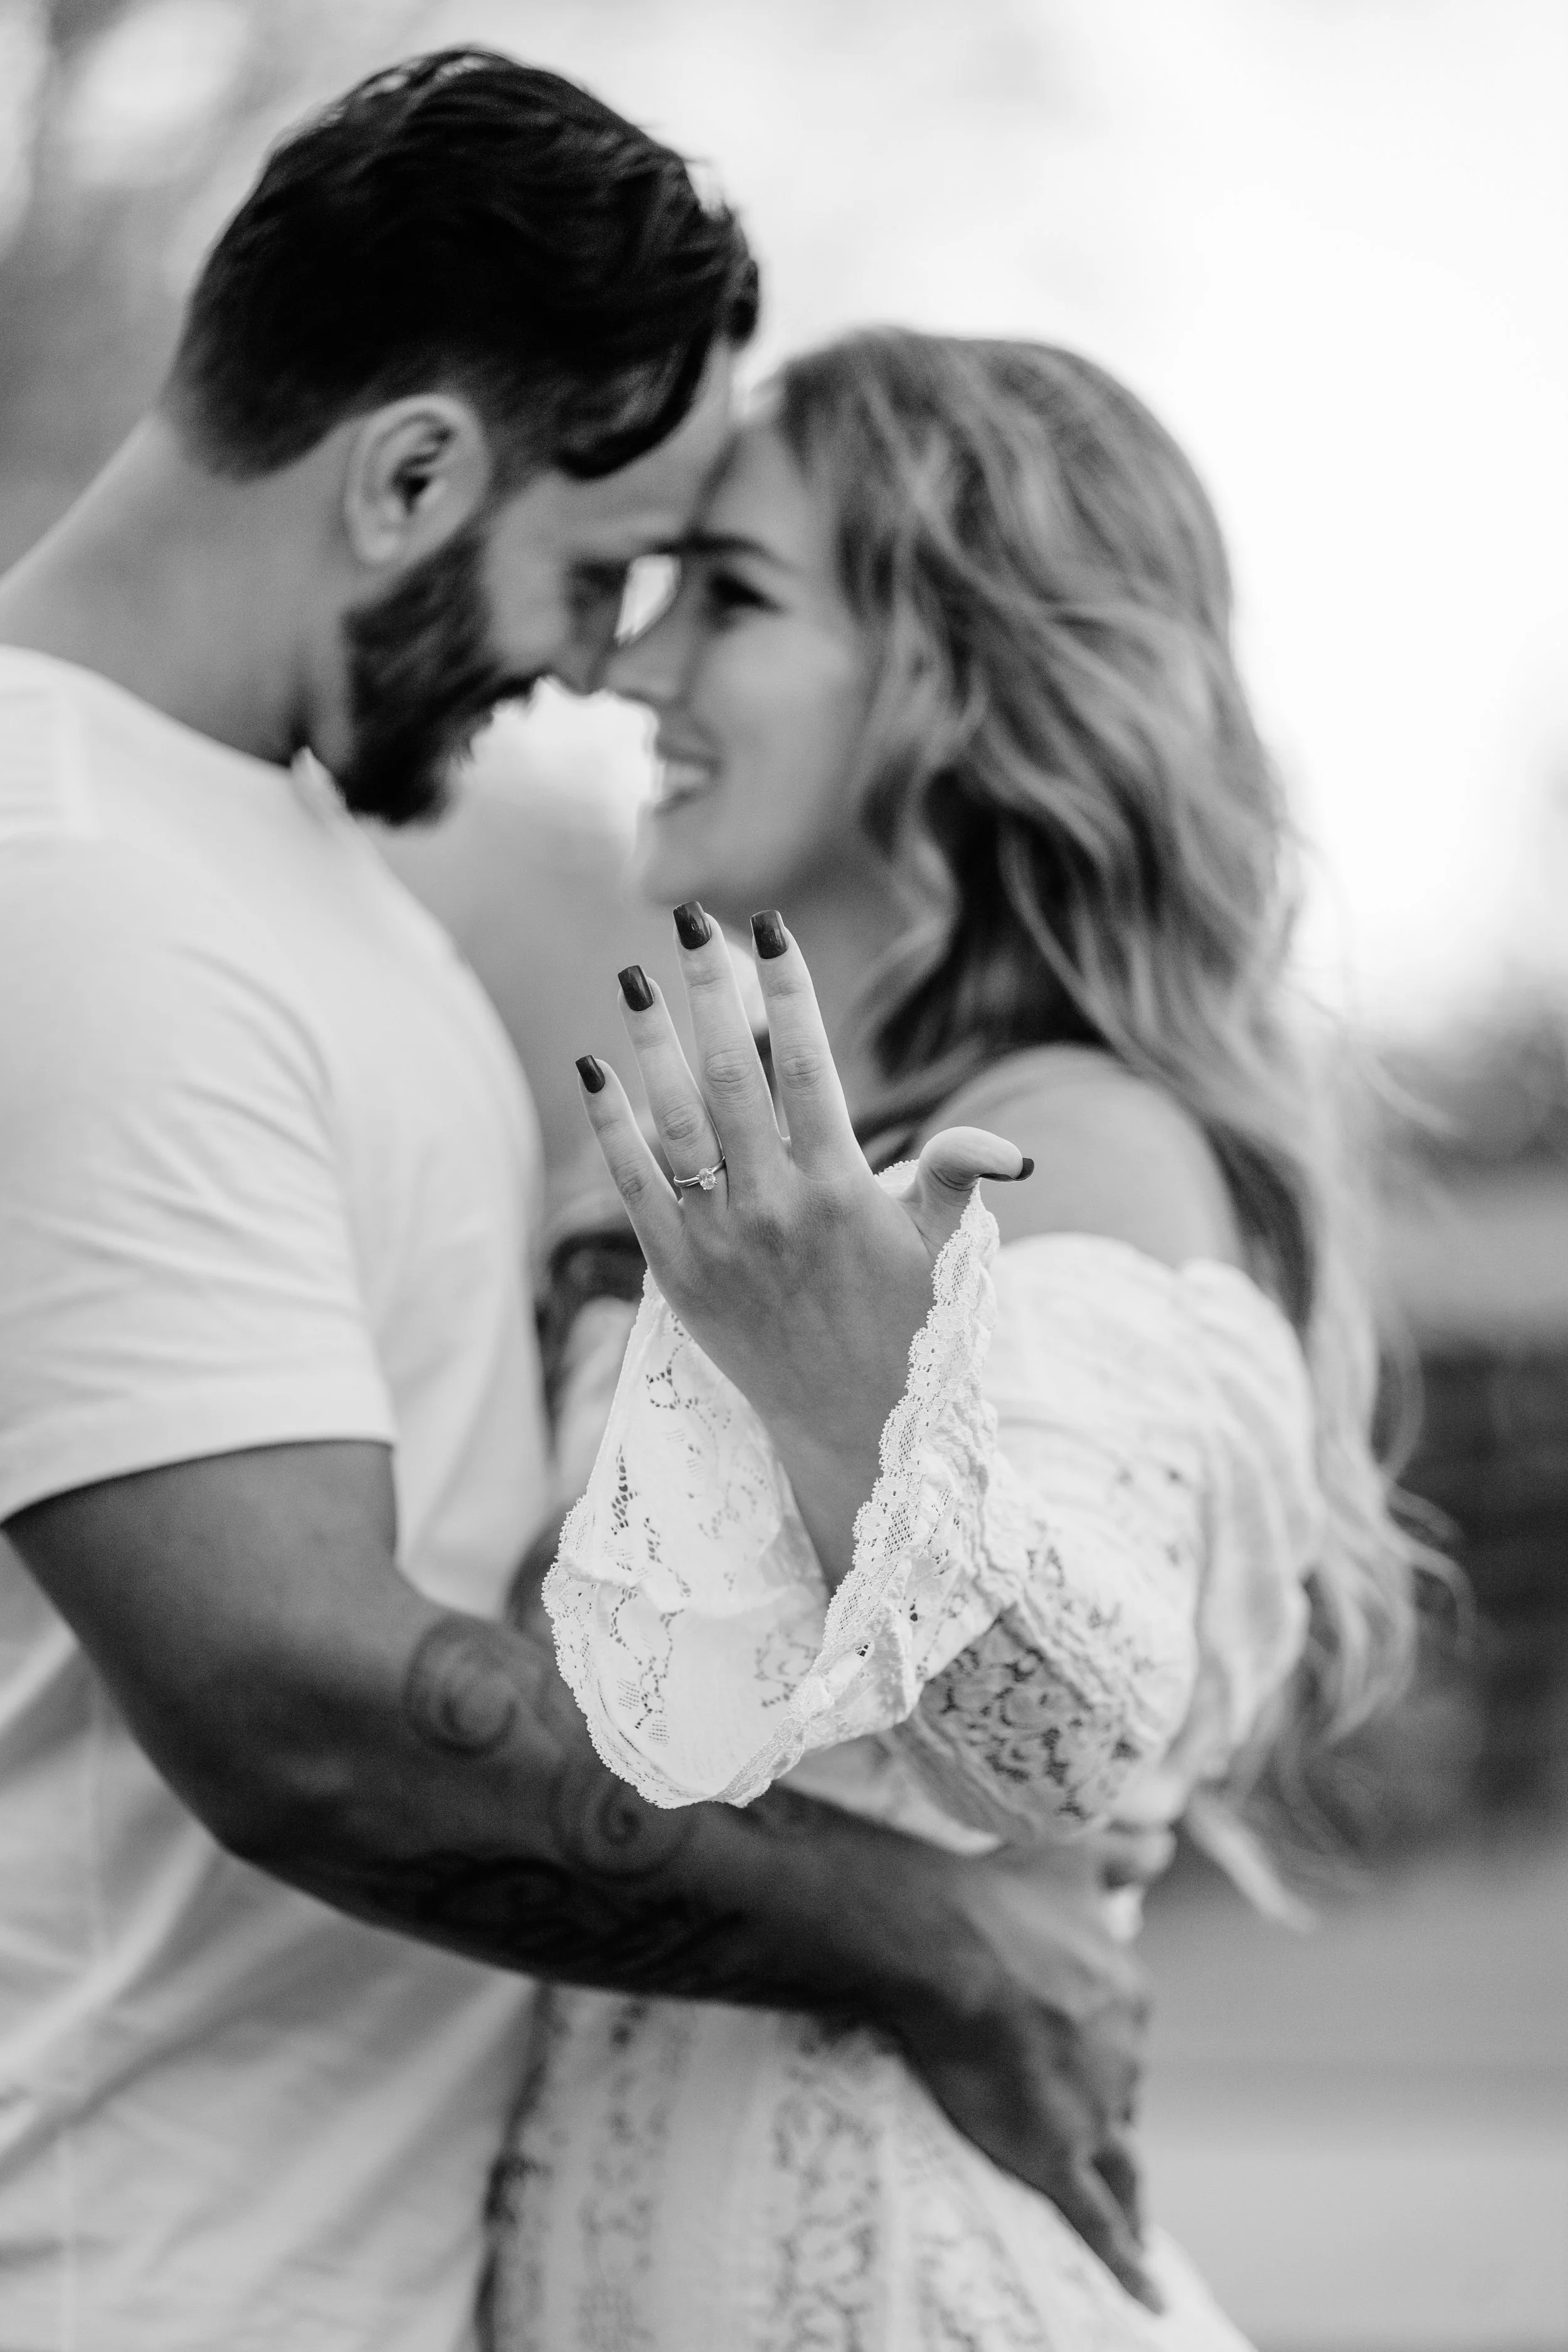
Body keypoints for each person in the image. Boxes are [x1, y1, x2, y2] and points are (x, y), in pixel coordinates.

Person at [0, 64, 1152, 2352]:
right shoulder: (63, 883)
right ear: (411, 470)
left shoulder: (297, 874)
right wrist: (928, 1942)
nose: (602, 660)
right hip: (144, 2272)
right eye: (598, 565)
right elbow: (297, 1701)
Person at [485, 331, 1419, 2345]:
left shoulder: (1076, 1146)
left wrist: (849, 1389)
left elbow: (1065, 1746)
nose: (639, 675)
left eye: (729, 600)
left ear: (956, 672)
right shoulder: (765, 1196)